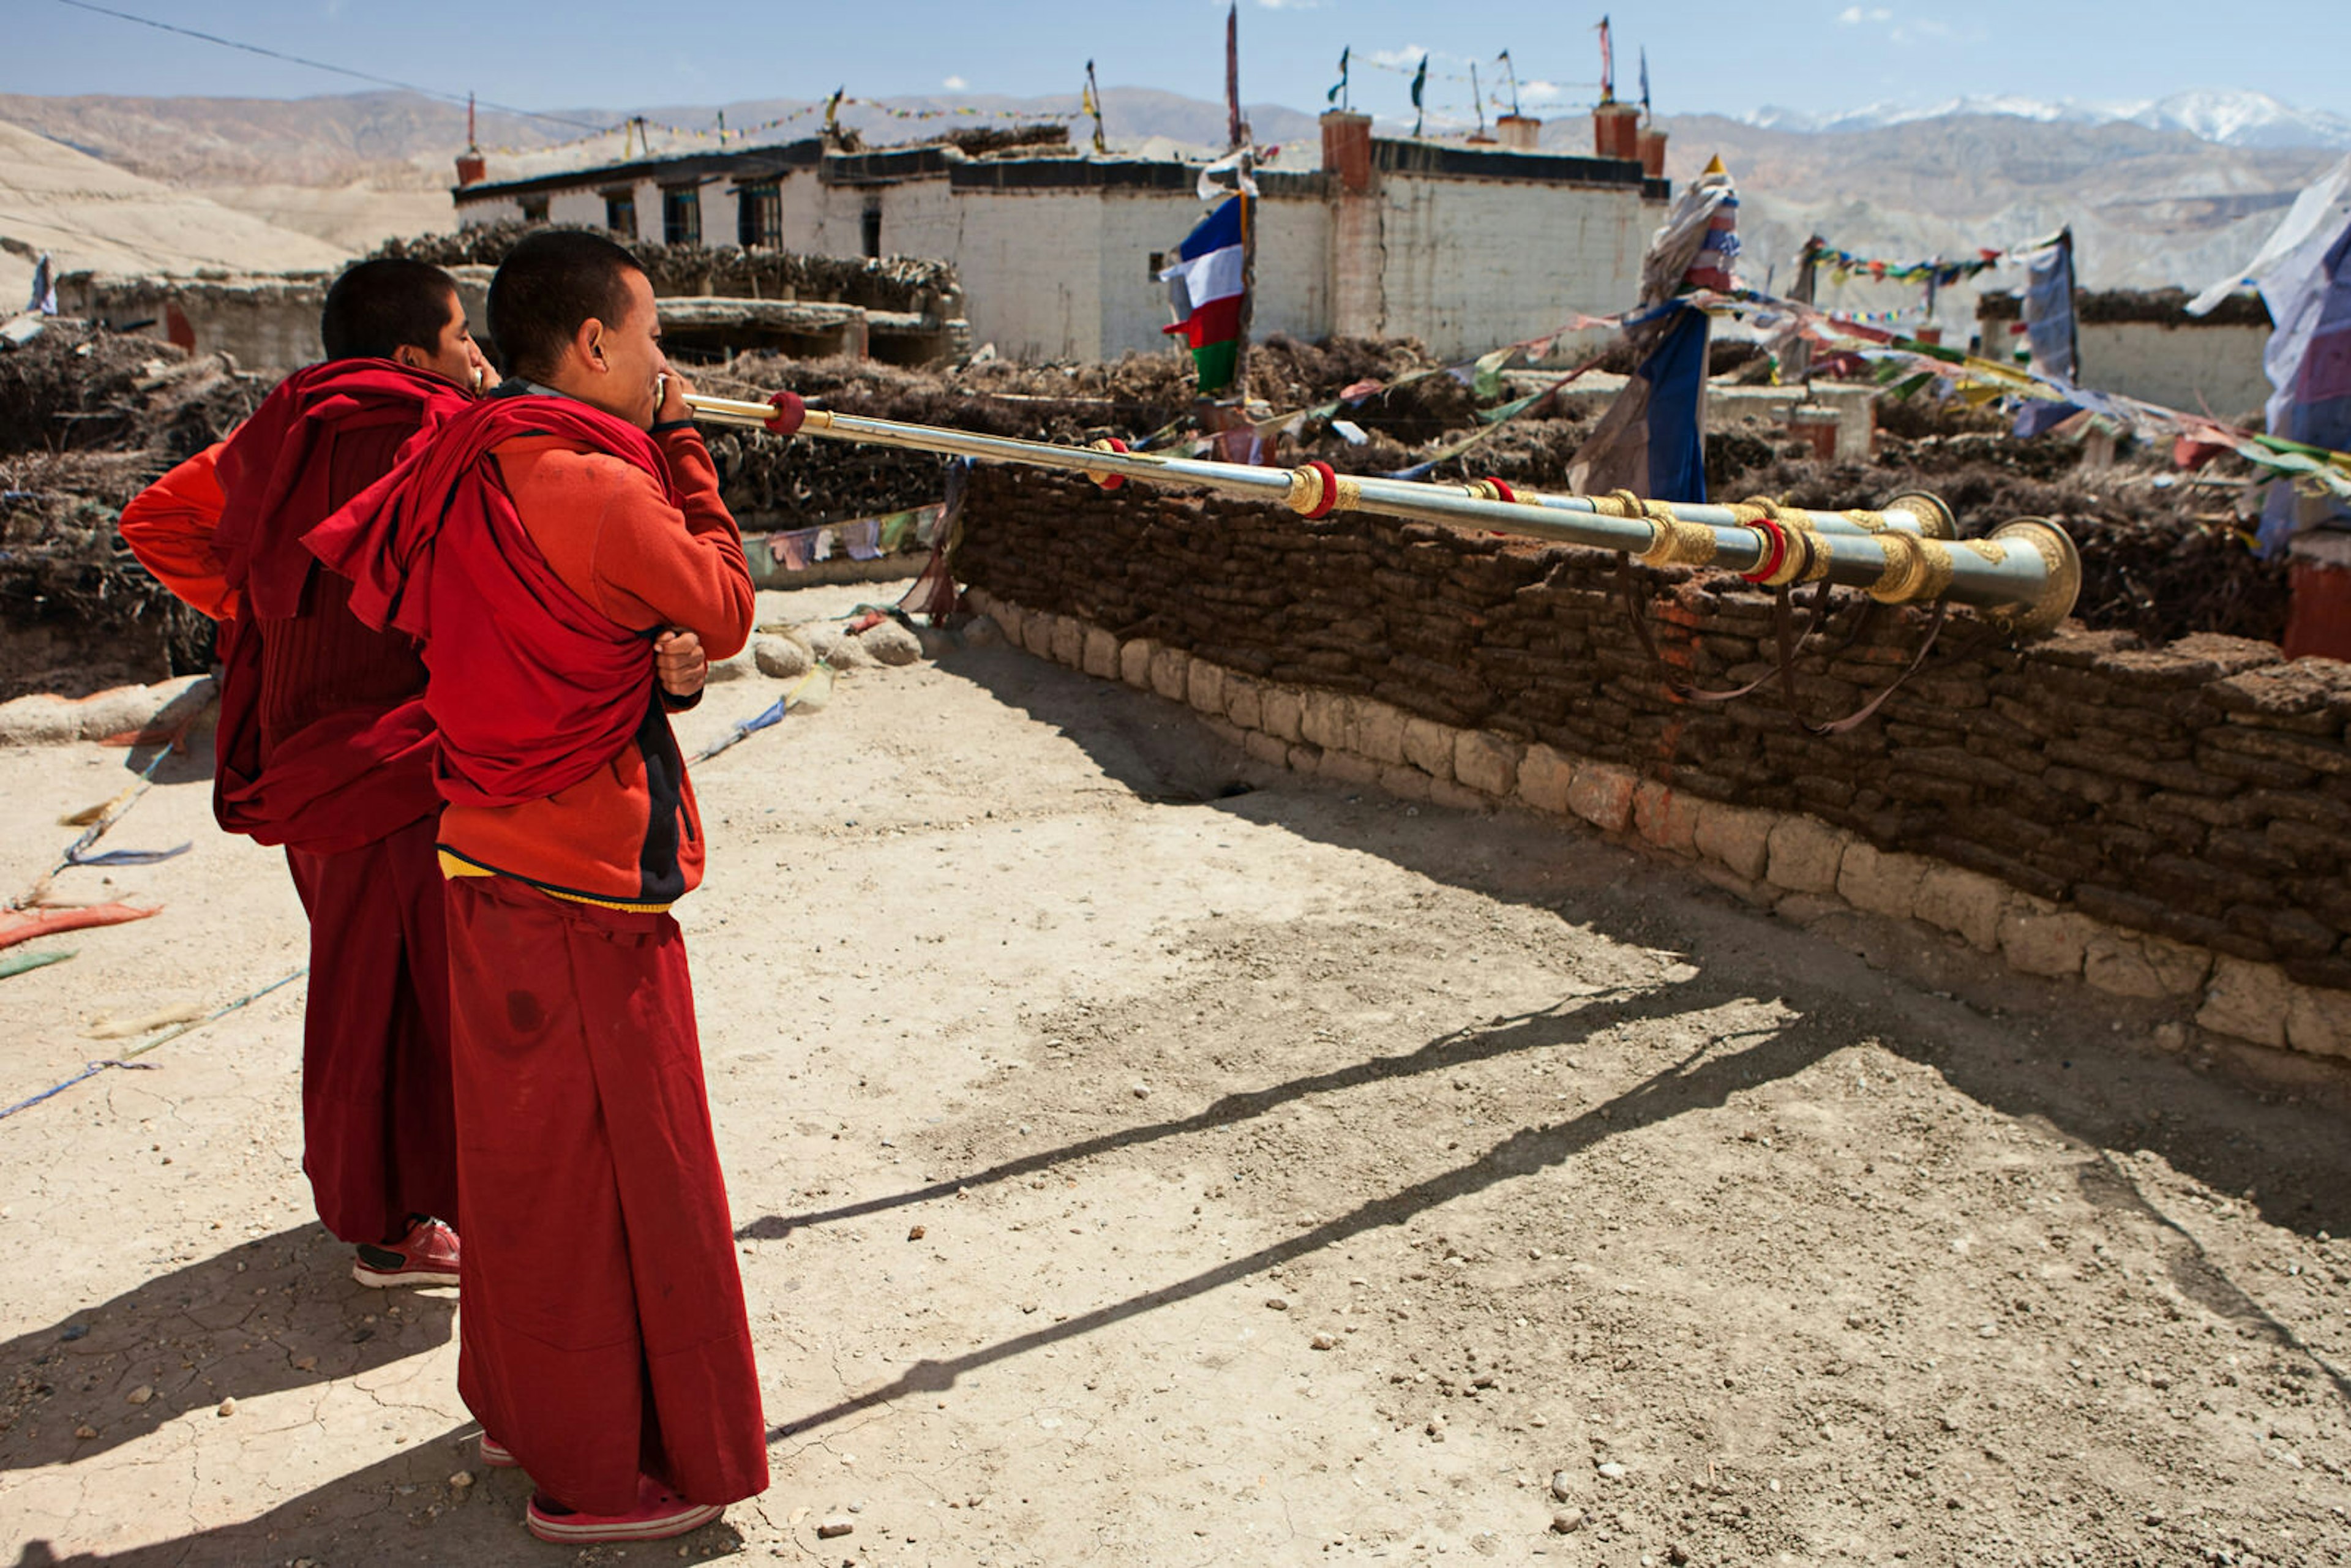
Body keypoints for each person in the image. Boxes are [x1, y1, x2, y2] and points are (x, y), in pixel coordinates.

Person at [304, 229, 765, 1545]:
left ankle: (523, 1410)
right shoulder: (600, 485)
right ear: (597, 345)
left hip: (482, 855)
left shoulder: (455, 463)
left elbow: (541, 638)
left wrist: (644, 668)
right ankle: (600, 1473)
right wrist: (686, 449)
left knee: (523, 1173)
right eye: (655, 337)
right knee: (619, 1184)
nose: (666, 362)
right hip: (584, 892)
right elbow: (724, 602)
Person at [120, 258, 509, 1288]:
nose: (478, 355)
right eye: (462, 334)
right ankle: (388, 1224)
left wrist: (265, 611)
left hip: (303, 758)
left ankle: (403, 1203)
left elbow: (157, 517)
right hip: (395, 756)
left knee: (361, 984)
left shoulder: (283, 429)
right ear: (409, 356)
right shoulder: (441, 432)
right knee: (408, 999)